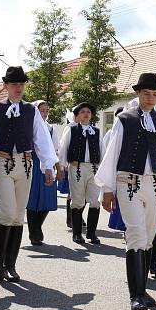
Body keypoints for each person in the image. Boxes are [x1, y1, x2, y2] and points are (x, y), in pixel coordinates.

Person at [96, 73, 156, 310]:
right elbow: (112, 153)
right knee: (136, 234)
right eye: (146, 94)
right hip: (128, 182)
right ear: (138, 94)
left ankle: (143, 289)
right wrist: (107, 189)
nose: (151, 98)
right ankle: (135, 296)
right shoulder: (124, 119)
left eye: (155, 94)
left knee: (148, 237)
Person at [0, 66, 57, 283]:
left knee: (18, 215)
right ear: (6, 86)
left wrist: (48, 165)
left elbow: (41, 139)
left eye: (21, 84)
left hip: (25, 164)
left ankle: (10, 265)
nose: (18, 88)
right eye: (14, 84)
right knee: (7, 211)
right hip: (2, 162)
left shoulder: (31, 111)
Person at [59, 102, 105, 245]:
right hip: (76, 167)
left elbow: (102, 151)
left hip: (93, 168)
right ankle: (77, 233)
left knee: (95, 200)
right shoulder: (71, 129)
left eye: (88, 112)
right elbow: (63, 148)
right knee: (78, 200)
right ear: (77, 115)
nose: (86, 114)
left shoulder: (96, 131)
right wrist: (62, 167)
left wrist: (103, 169)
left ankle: (92, 233)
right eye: (83, 112)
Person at [26, 100, 61, 245]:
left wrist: (58, 168)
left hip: (47, 166)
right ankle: (34, 232)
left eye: (47, 110)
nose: (45, 114)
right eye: (42, 110)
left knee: (47, 199)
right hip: (32, 165)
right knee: (32, 199)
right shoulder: (29, 127)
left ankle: (37, 226)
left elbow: (55, 150)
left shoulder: (51, 128)